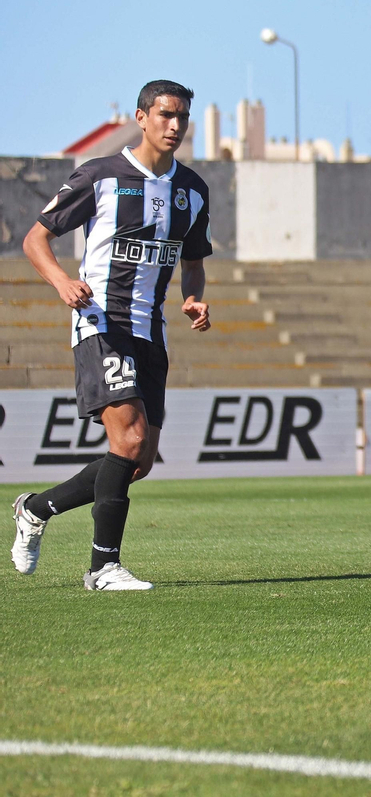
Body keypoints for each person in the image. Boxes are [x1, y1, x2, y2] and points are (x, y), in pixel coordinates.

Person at [11, 80, 213, 590]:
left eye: (183, 117)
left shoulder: (192, 190)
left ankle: (35, 509)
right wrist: (63, 282)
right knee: (130, 437)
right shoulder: (99, 176)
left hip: (151, 331)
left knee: (137, 461)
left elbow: (193, 262)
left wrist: (193, 297)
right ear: (141, 117)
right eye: (166, 114)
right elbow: (35, 239)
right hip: (101, 322)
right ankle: (103, 567)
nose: (175, 125)